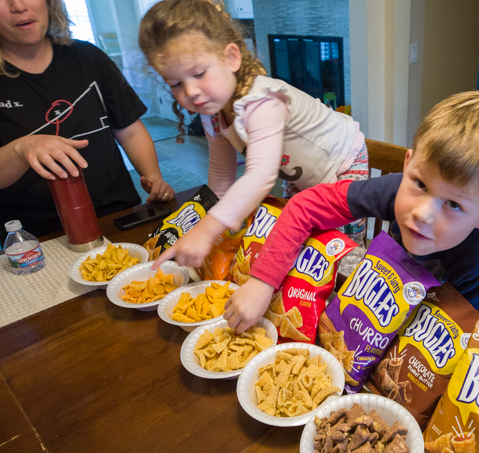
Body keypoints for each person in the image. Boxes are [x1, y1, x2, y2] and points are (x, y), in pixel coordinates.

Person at [223, 91, 479, 333]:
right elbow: (306, 206)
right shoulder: (394, 190)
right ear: (408, 165)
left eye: (454, 204)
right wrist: (262, 282)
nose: (423, 213)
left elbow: (461, 338)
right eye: (420, 184)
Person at [140, 0, 368, 270]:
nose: (190, 92)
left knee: (340, 253)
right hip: (298, 172)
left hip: (342, 162)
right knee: (300, 245)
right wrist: (199, 223)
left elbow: (260, 175)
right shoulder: (212, 112)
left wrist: (208, 230)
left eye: (199, 73)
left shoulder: (263, 101)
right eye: (176, 84)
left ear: (231, 58)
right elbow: (221, 181)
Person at [0, 0, 176, 240]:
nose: (18, 6)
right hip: (38, 237)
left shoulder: (88, 56)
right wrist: (21, 149)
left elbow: (129, 129)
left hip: (120, 215)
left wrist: (153, 175)